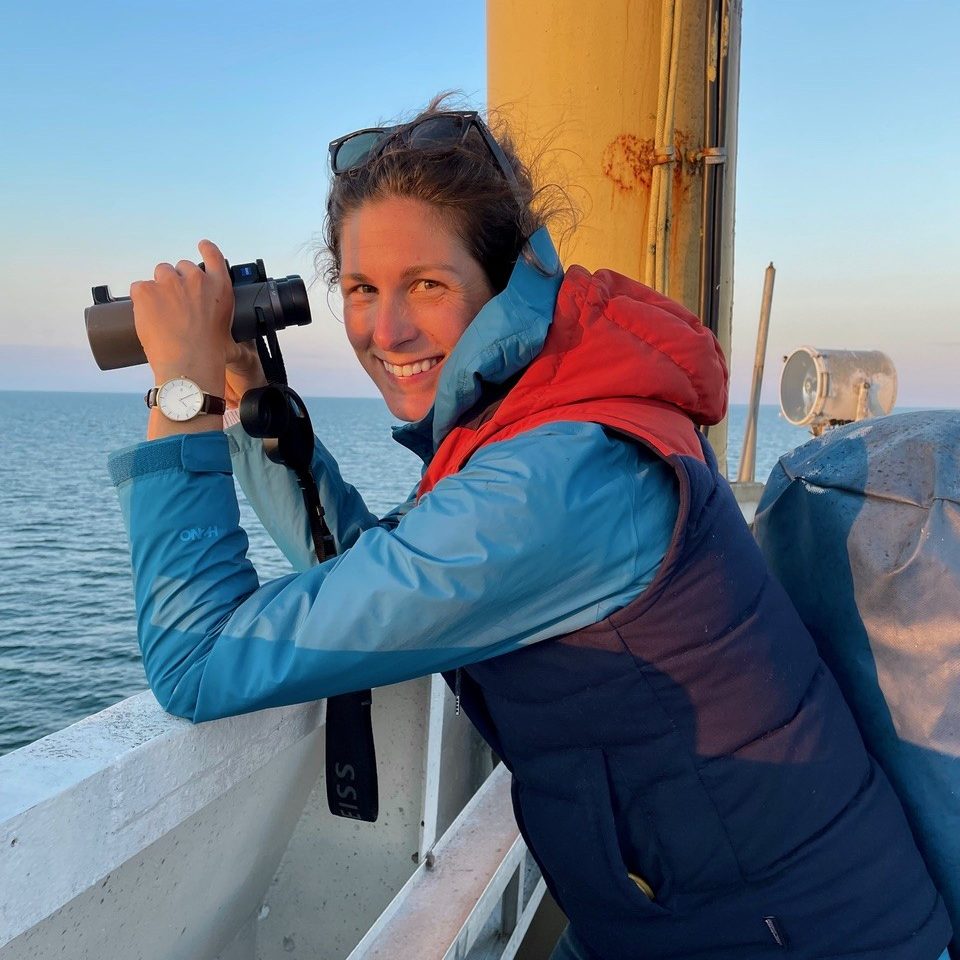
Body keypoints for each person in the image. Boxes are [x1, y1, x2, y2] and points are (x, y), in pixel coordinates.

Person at [110, 100, 952, 960]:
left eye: (426, 285)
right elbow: (377, 572)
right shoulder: (547, 415)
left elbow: (196, 657)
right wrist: (246, 390)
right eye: (363, 290)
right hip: (679, 913)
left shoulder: (554, 479)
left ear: (501, 277)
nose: (387, 330)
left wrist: (182, 393)